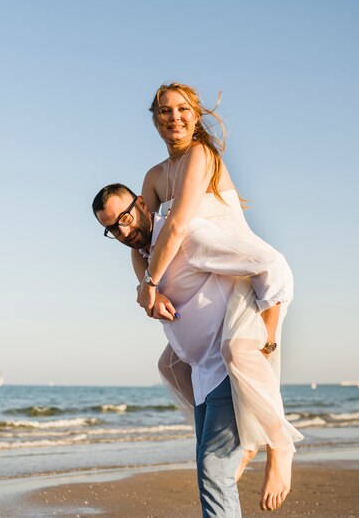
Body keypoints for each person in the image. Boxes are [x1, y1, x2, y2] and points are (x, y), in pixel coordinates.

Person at [92, 180, 303, 516]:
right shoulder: (149, 259)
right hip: (202, 375)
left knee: (213, 472)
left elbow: (270, 265)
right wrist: (152, 292)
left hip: (226, 371)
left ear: (143, 205)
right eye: (112, 229)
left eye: (125, 218)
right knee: (211, 471)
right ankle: (248, 440)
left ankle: (279, 446)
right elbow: (148, 279)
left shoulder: (188, 237)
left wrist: (268, 336)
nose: (122, 231)